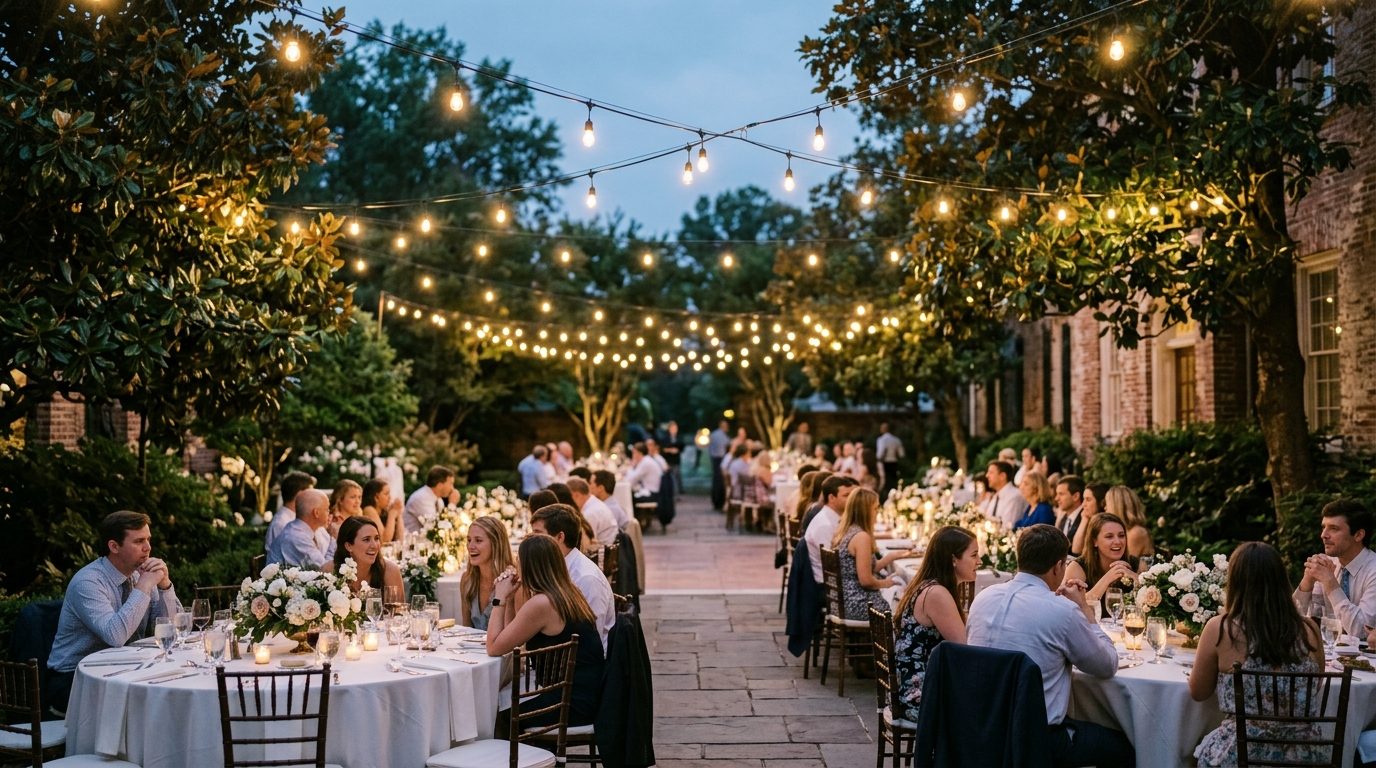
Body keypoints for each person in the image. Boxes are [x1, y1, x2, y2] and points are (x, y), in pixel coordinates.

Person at [967, 524, 1134, 768]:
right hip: (1037, 738)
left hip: (981, 728)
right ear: (1058, 566)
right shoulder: (1062, 611)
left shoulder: (983, 598)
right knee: (1125, 746)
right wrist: (1085, 611)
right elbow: (1107, 665)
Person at [1191, 542, 1326, 767]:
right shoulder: (1310, 630)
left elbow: (1198, 692)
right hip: (1304, 755)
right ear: (1282, 581)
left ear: (1235, 582)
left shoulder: (1220, 628)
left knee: (1186, 754)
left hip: (1241, 753)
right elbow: (1314, 686)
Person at [48, 511, 183, 711]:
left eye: (148, 540)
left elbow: (170, 628)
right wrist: (144, 587)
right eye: (138, 541)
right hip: (74, 677)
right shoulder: (88, 582)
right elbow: (115, 636)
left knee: (173, 686)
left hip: (125, 668)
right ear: (114, 546)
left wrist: (164, 586)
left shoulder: (141, 574)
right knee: (149, 702)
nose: (148, 548)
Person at [485, 534, 605, 727]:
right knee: (504, 702)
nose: (516, 566)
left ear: (530, 565)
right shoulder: (566, 592)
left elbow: (493, 647)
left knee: (497, 719)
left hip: (571, 703)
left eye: (519, 560)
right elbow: (508, 640)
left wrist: (498, 599)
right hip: (587, 693)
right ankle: (537, 753)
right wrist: (508, 599)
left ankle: (530, 756)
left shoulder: (542, 604)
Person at [892, 526, 977, 721]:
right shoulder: (937, 594)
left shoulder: (929, 585)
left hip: (915, 686)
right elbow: (965, 648)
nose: (979, 561)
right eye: (974, 555)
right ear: (953, 559)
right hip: (920, 696)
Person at [529, 504, 615, 650]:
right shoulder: (557, 568)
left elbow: (593, 637)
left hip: (581, 663)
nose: (531, 540)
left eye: (537, 534)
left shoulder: (586, 578)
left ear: (560, 537)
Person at [1295, 498, 1376, 637]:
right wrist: (1307, 583)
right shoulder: (1328, 564)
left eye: (1334, 528)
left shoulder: (1373, 570)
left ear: (1358, 535)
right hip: (1331, 654)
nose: (1323, 535)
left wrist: (1331, 584)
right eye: (1323, 527)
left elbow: (1362, 631)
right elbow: (1295, 620)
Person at [830, 488, 909, 617]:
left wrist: (892, 556)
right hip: (857, 603)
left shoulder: (847, 530)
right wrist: (886, 583)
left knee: (898, 588)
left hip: (842, 600)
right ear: (865, 511)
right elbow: (866, 581)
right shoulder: (861, 537)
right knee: (904, 600)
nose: (877, 512)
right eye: (875, 508)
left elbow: (867, 567)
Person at [1062, 513, 1138, 616]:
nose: (1118, 541)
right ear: (1094, 541)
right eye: (1109, 536)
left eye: (1121, 535)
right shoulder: (1077, 567)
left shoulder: (1135, 564)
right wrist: (1107, 578)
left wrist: (1136, 579)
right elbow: (1070, 607)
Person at [459, 515, 515, 630]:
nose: (470, 546)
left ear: (496, 544)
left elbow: (513, 632)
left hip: (502, 647)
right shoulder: (467, 580)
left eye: (478, 541)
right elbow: (466, 629)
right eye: (469, 540)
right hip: (470, 647)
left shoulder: (511, 581)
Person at [325, 516, 403, 595]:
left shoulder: (390, 572)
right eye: (366, 540)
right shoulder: (329, 572)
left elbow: (398, 607)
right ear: (348, 546)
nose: (374, 546)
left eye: (376, 538)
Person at [803, 475, 859, 583]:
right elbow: (832, 565)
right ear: (831, 498)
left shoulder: (833, 518)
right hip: (829, 585)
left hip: (838, 579)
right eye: (846, 495)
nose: (851, 500)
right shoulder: (825, 525)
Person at [267, 489, 337, 568]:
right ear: (316, 513)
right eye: (327, 509)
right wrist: (334, 538)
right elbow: (324, 568)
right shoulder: (297, 537)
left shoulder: (309, 530)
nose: (329, 513)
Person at [264, 470, 316, 553]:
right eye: (311, 494)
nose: (314, 498)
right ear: (300, 495)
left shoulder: (294, 517)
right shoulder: (282, 523)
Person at [403, 466, 457, 536]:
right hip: (412, 544)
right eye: (451, 484)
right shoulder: (421, 498)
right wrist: (452, 505)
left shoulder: (439, 500)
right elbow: (435, 527)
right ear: (440, 485)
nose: (452, 488)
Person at [567, 477, 619, 548]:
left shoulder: (589, 513)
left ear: (576, 495)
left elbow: (585, 545)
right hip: (606, 550)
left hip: (602, 554)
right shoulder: (595, 503)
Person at [1104, 486, 1155, 559]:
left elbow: (1126, 565)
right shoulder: (1124, 531)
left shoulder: (1136, 533)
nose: (1105, 508)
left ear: (1117, 507)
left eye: (1107, 504)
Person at [983, 460, 1028, 531]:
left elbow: (1008, 527)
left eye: (991, 472)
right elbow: (987, 519)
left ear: (1002, 476)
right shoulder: (996, 496)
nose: (987, 475)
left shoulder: (1015, 496)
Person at [1072, 482, 1113, 560]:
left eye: (1088, 499)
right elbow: (1076, 550)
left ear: (1102, 503)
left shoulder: (1108, 525)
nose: (1083, 504)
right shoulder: (1088, 519)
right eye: (1083, 499)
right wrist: (1084, 520)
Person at [360, 478, 401, 544]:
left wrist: (398, 514)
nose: (389, 497)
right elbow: (384, 540)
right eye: (386, 494)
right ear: (376, 497)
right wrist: (392, 516)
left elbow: (400, 539)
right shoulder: (369, 510)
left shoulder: (384, 511)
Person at [1053, 475, 1086, 554]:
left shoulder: (1085, 518)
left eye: (1061, 494)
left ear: (1076, 496)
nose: (1056, 498)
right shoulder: (1063, 518)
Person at [875, 422, 904, 499]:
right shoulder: (896, 440)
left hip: (885, 463)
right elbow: (901, 454)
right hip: (894, 463)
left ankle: (887, 500)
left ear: (882, 429)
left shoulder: (881, 440)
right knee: (894, 483)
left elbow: (880, 454)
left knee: (885, 483)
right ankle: (895, 498)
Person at [709, 420, 731, 511]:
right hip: (720, 459)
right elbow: (727, 446)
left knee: (715, 481)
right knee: (720, 482)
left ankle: (716, 501)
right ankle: (718, 502)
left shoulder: (714, 434)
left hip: (715, 459)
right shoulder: (722, 436)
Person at [661, 420, 684, 492]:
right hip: (668, 460)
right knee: (669, 478)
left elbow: (682, 448)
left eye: (675, 428)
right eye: (673, 428)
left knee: (676, 478)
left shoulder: (679, 438)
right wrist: (670, 450)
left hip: (676, 461)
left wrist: (677, 450)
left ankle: (676, 494)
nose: (674, 430)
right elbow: (662, 449)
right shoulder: (665, 438)